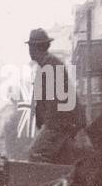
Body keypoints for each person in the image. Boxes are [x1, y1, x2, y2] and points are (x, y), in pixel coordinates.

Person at [26, 28, 82, 163]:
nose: (29, 50)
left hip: (60, 123)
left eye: (30, 46)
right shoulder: (47, 64)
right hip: (64, 123)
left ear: (34, 48)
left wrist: (48, 128)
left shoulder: (50, 65)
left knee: (35, 153)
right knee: (61, 159)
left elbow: (54, 103)